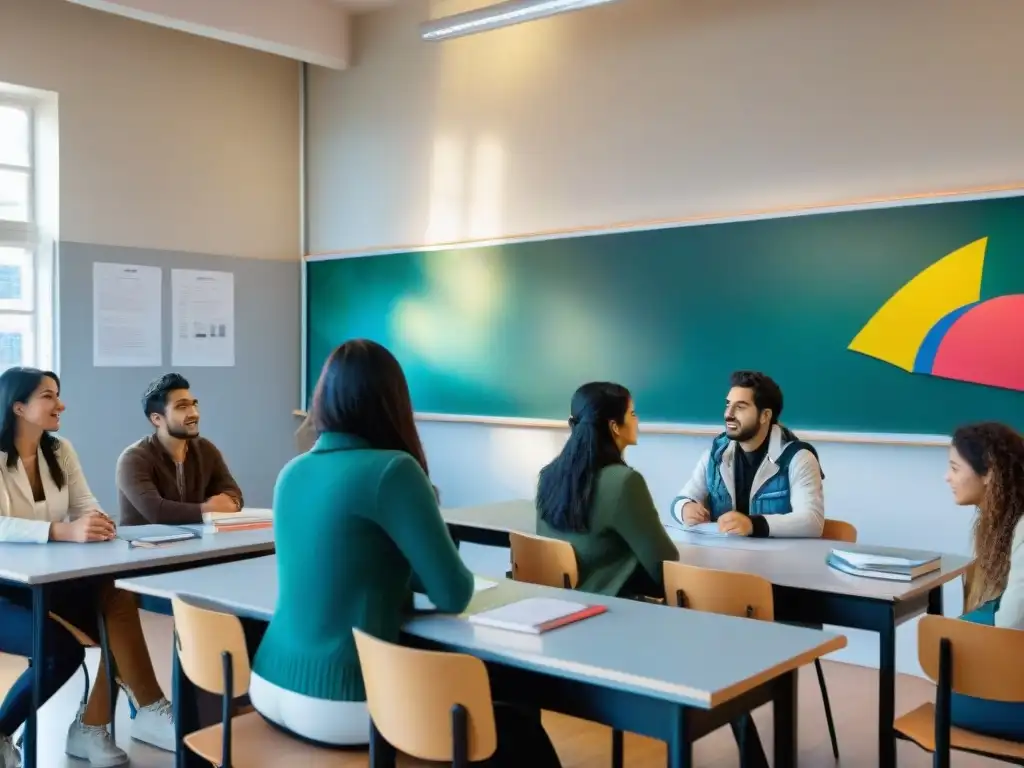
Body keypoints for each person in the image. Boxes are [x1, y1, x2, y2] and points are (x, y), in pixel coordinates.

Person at [251, 340, 562, 766]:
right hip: (343, 699)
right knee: (517, 720)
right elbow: (452, 593)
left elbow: (360, 564)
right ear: (392, 401)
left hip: (268, 683)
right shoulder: (393, 470)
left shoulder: (293, 471)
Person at [0, 368, 174, 768]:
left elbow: (85, 503)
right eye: (49, 396)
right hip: (7, 589)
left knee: (116, 600)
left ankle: (95, 726)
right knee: (60, 653)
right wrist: (61, 530)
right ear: (19, 407)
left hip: (52, 581)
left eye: (58, 394)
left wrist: (98, 522)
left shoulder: (60, 450)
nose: (61, 404)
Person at [536, 382, 679, 597]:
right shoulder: (624, 482)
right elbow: (665, 567)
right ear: (615, 426)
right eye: (632, 413)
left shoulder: (548, 475)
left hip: (557, 602)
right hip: (609, 610)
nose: (637, 420)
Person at [670, 370, 824, 538]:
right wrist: (684, 508)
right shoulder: (715, 455)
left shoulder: (798, 457)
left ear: (765, 415)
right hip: (722, 558)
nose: (728, 414)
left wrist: (753, 524)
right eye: (728, 405)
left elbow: (812, 522)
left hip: (777, 560)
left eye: (740, 407)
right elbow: (681, 500)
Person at [944, 422, 1024, 740]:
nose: (947, 477)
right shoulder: (1003, 523)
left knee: (948, 693)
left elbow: (1010, 627)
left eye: (953, 468)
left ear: (989, 472)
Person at [115, 372, 243, 525]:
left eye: (194, 404)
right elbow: (157, 512)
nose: (194, 414)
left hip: (197, 543)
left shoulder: (205, 449)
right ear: (157, 419)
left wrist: (231, 502)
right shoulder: (134, 458)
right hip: (144, 546)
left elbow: (233, 494)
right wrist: (208, 509)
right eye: (182, 407)